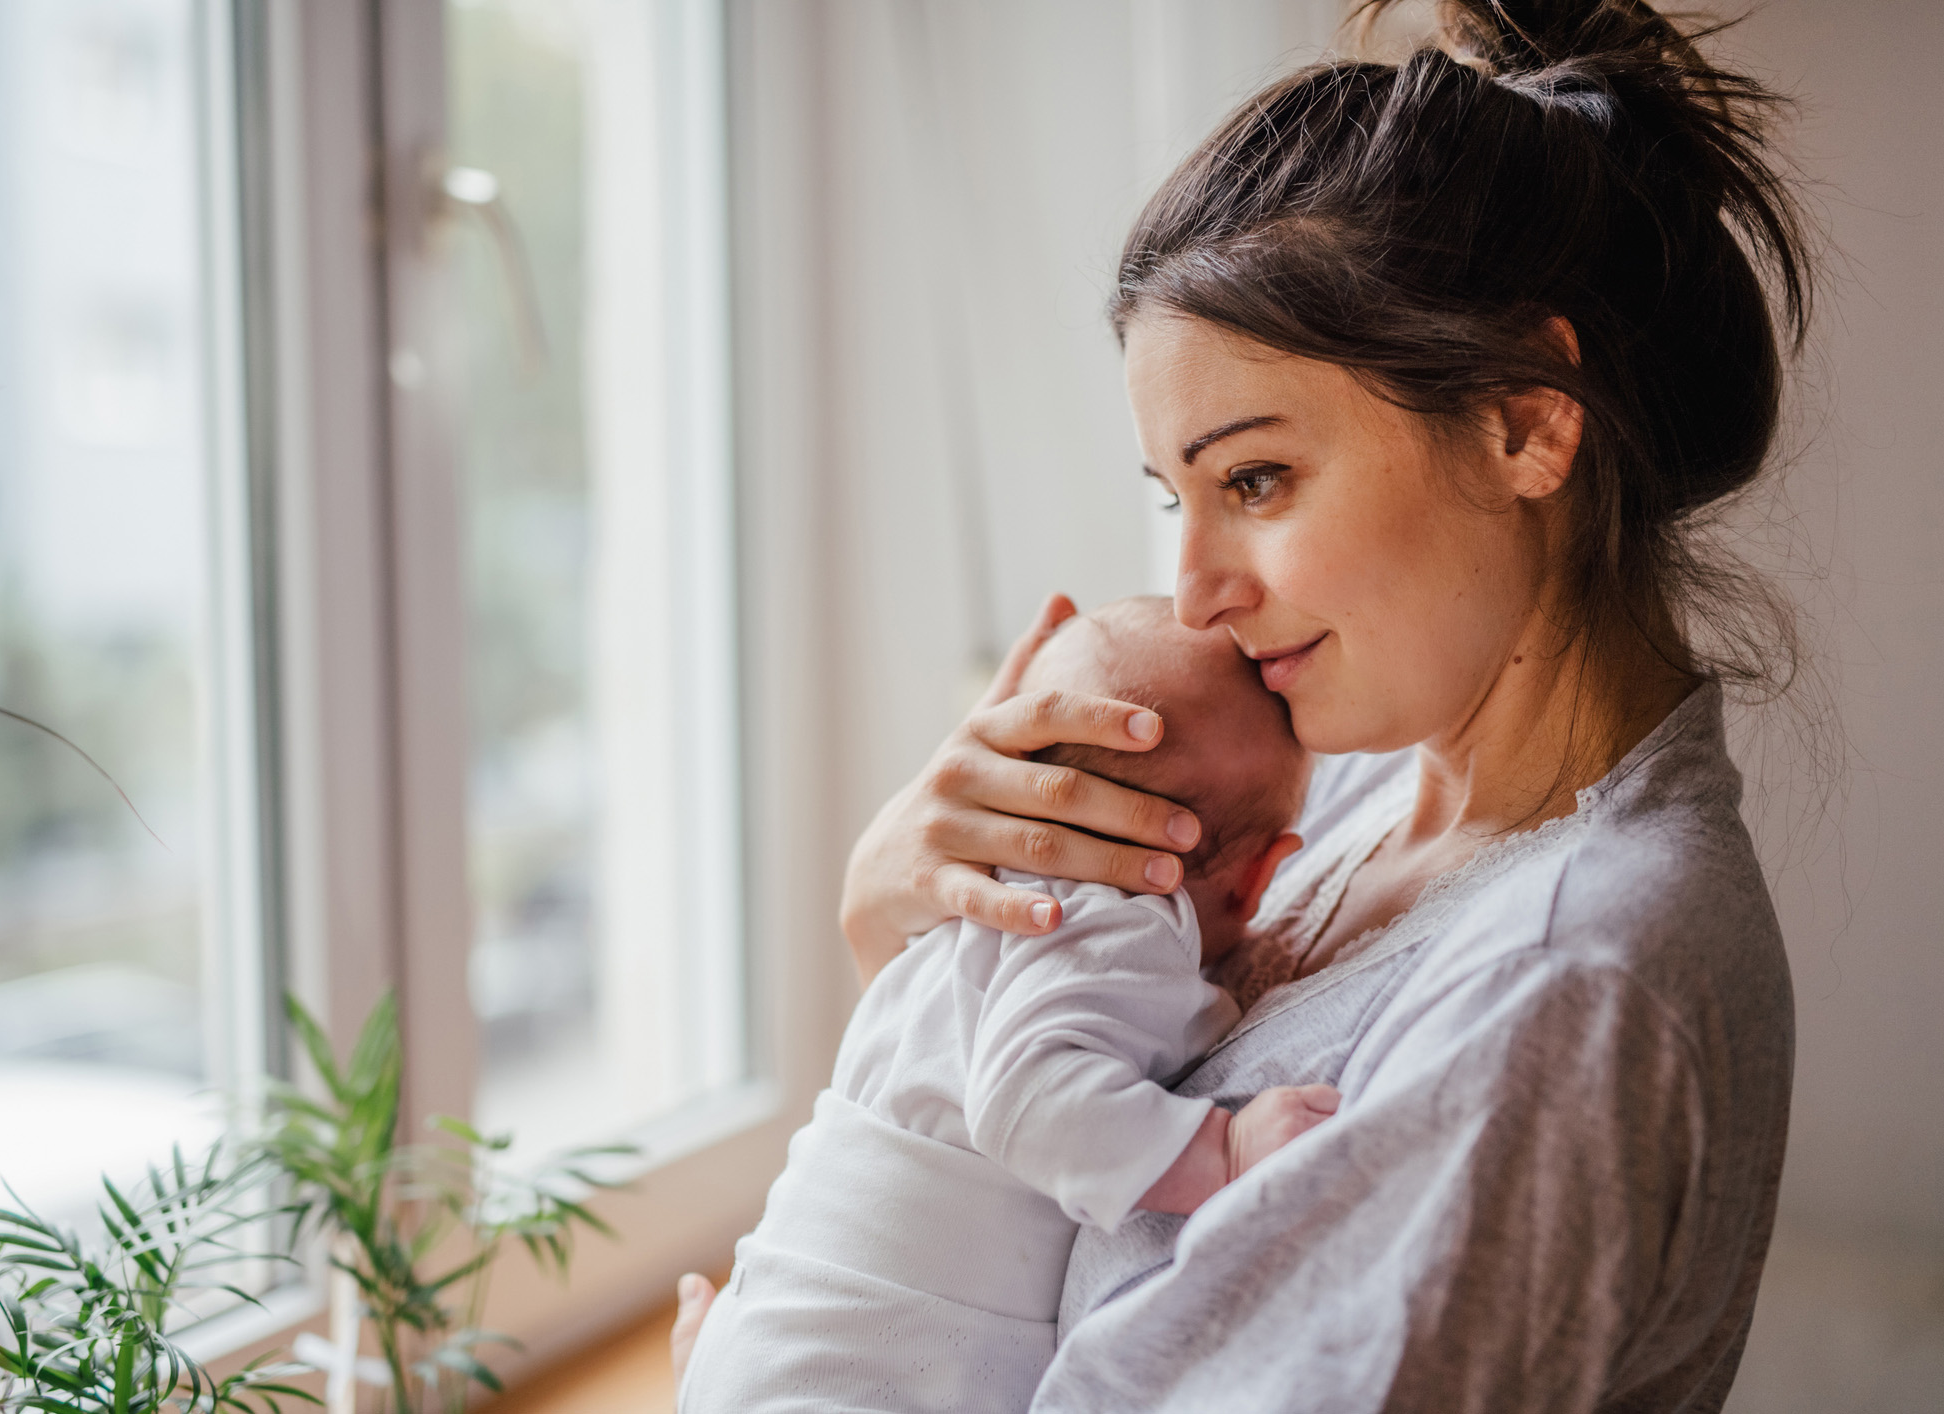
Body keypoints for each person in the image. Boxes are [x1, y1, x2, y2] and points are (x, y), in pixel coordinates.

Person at [677, 0, 1808, 1407]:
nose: (1196, 588)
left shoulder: (1573, 973)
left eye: (1256, 480)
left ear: (1526, 420)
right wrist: (897, 925)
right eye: (1177, 498)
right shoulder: (1341, 789)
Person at [680, 598, 1335, 1414]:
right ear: (1258, 875)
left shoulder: (966, 894)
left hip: (781, 1318)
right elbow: (1024, 1101)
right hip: (872, 1366)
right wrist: (1225, 1150)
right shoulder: (1124, 914)